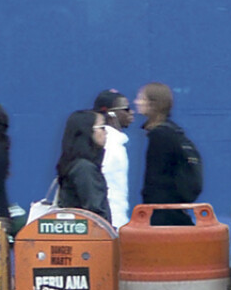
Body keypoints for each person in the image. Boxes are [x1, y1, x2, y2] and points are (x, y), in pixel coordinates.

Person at [135, 82, 203, 208]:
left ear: (153, 104)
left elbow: (155, 179)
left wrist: (148, 209)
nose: (137, 102)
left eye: (141, 98)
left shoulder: (159, 135)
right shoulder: (172, 131)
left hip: (161, 212)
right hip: (172, 207)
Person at [54, 109, 111, 223]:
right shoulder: (84, 169)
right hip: (89, 237)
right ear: (87, 131)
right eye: (102, 127)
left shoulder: (76, 165)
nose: (106, 132)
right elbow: (96, 213)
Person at [93, 89, 133, 227]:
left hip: (115, 220)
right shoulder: (108, 145)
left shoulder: (116, 143)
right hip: (110, 222)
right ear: (111, 114)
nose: (131, 113)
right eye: (126, 109)